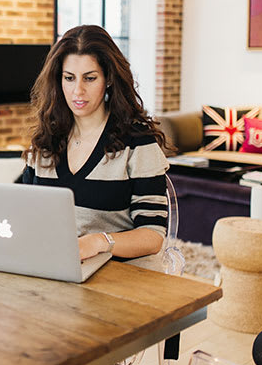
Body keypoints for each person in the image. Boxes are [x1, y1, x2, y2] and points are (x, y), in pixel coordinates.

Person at [22, 25, 170, 261]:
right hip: (56, 267)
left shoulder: (137, 142)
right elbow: (24, 212)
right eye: (69, 78)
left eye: (90, 78)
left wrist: (100, 242)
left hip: (120, 276)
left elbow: (153, 236)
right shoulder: (47, 141)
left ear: (109, 78)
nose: (77, 91)